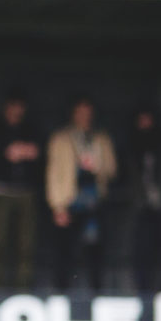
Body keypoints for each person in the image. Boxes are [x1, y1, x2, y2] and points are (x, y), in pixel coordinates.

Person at [0, 88, 44, 290]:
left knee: (26, 245)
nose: (16, 110)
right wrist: (5, 154)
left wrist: (31, 153)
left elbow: (46, 157)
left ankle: (23, 289)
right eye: (13, 105)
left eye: (20, 106)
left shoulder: (32, 129)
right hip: (1, 191)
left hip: (26, 192)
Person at [47, 96, 116, 291]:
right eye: (80, 112)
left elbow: (112, 169)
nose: (84, 116)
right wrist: (57, 206)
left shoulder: (101, 138)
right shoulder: (61, 139)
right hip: (70, 201)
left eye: (88, 113)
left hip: (94, 203)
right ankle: (61, 294)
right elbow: (53, 173)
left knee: (95, 252)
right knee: (65, 252)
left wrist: (96, 165)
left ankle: (96, 293)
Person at [126, 106, 161, 294]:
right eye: (141, 120)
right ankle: (144, 292)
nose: (145, 125)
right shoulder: (132, 148)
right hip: (141, 207)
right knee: (142, 252)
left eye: (148, 120)